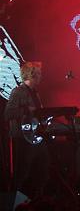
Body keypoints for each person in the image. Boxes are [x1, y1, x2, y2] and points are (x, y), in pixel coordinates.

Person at [4, 61, 50, 197]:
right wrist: (26, 110)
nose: (41, 76)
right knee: (22, 173)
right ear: (31, 74)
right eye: (39, 73)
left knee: (43, 170)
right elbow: (7, 114)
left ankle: (36, 200)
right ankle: (16, 202)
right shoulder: (18, 92)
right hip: (23, 139)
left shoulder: (35, 93)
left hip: (35, 138)